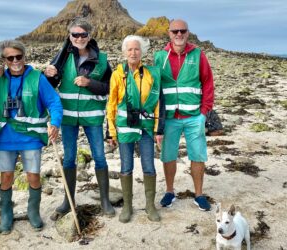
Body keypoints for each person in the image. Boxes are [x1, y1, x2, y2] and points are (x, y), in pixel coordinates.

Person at [0, 40, 62, 233]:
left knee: (33, 176)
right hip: (6, 137)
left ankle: (33, 211)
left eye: (18, 56)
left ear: (24, 56)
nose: (15, 61)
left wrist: (55, 123)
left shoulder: (37, 77)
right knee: (6, 177)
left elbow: (54, 101)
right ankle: (6, 213)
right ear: (4, 60)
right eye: (10, 58)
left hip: (31, 137)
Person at [44, 18, 115, 219]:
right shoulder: (62, 58)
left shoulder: (102, 59)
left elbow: (110, 87)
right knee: (69, 158)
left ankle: (105, 201)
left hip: (92, 117)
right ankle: (68, 201)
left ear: (89, 36)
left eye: (83, 34)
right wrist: (47, 74)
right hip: (67, 118)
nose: (79, 38)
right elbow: (51, 85)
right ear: (70, 37)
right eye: (75, 34)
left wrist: (89, 82)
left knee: (100, 157)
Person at [153, 19, 214, 211]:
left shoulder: (198, 55)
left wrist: (204, 113)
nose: (179, 34)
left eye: (183, 31)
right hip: (169, 118)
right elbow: (155, 89)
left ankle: (199, 194)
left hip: (194, 116)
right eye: (175, 31)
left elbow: (208, 83)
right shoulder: (159, 57)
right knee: (168, 156)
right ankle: (170, 192)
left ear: (188, 33)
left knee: (197, 155)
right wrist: (157, 122)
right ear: (169, 33)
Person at [107, 35, 165, 223]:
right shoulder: (117, 75)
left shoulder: (150, 74)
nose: (133, 52)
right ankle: (127, 206)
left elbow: (157, 104)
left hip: (146, 129)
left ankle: (150, 205)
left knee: (148, 165)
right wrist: (111, 131)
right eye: (130, 49)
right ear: (124, 52)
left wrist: (158, 130)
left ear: (142, 52)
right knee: (126, 166)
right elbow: (112, 104)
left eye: (137, 49)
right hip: (125, 129)